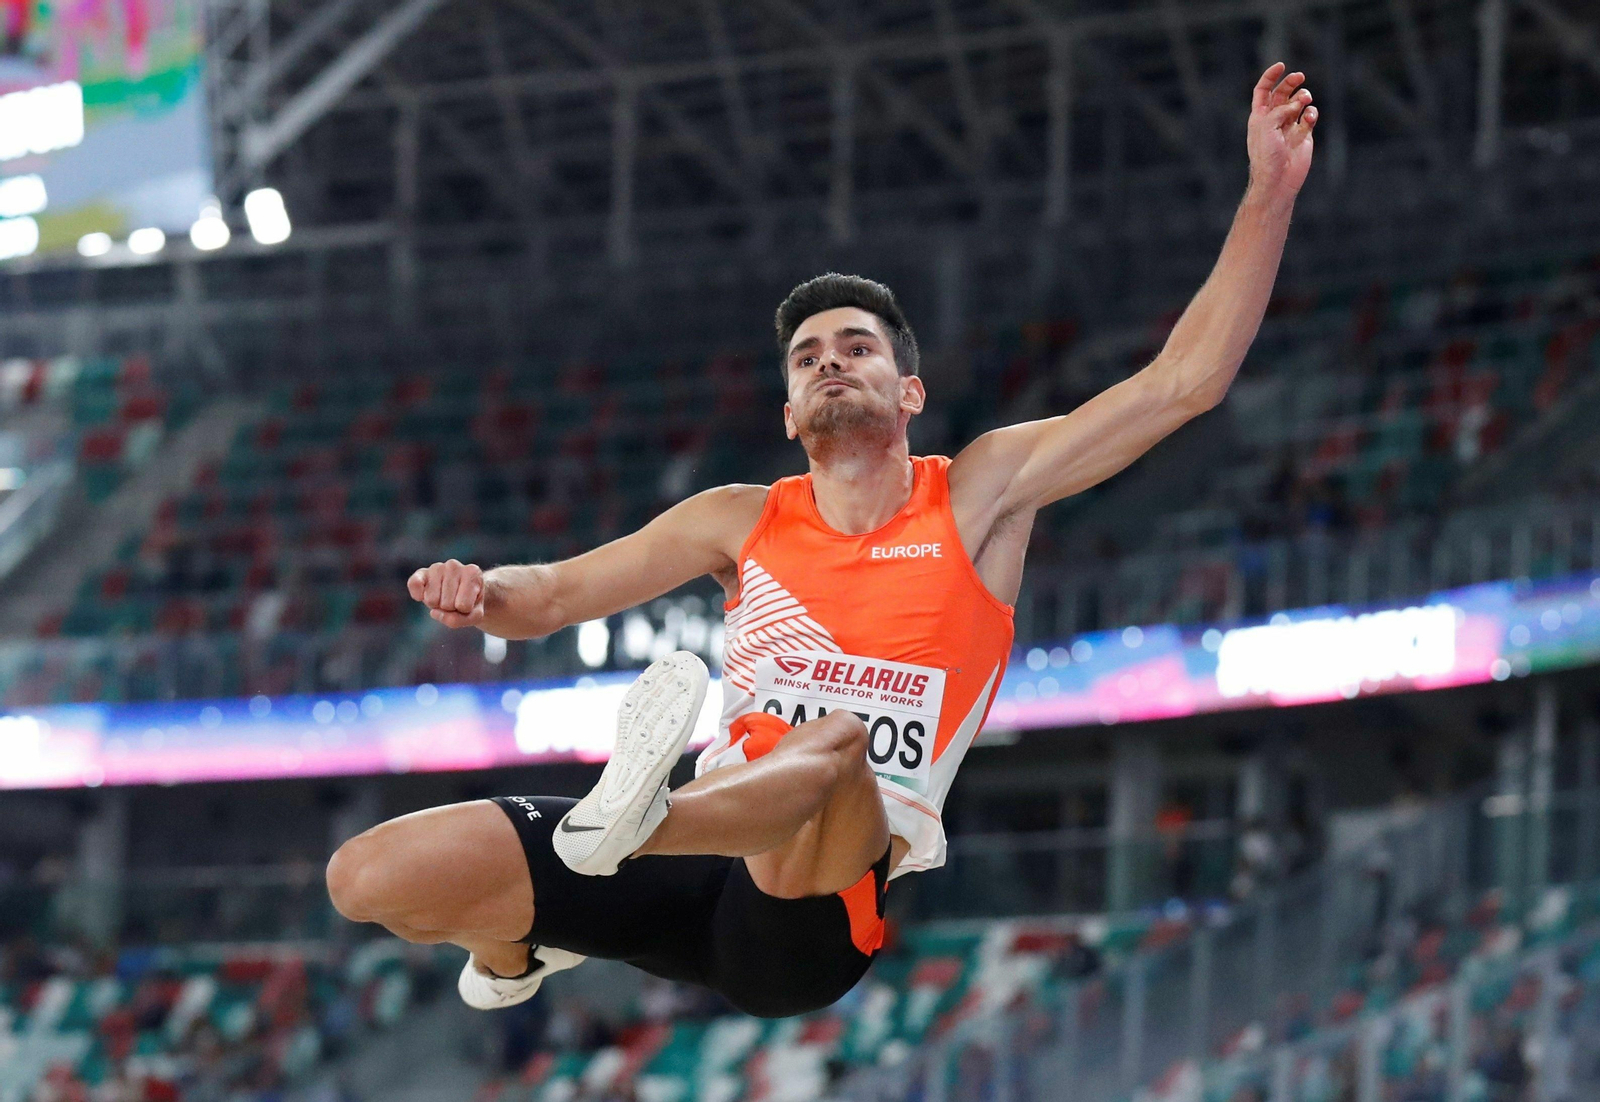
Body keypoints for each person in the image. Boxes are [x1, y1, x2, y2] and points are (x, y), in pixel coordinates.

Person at [324, 64, 1318, 1019]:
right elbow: (546, 596)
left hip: (811, 909)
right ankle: (519, 943)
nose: (831, 362)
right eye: (808, 358)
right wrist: (481, 589)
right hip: (684, 866)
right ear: (792, 413)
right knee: (365, 876)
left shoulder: (980, 494)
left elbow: (1182, 381)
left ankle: (621, 828)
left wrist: (1267, 194)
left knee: (834, 744)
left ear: (908, 391)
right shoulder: (739, 518)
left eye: (857, 347)